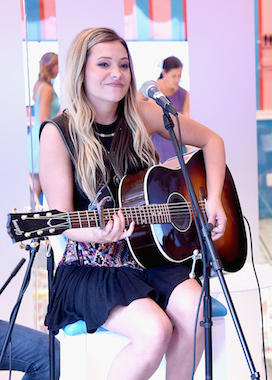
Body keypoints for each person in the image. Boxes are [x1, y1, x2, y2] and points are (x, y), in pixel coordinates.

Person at [39, 27, 227, 380]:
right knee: (155, 330)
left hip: (149, 255)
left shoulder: (143, 115)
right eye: (104, 64)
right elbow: (63, 220)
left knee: (197, 312)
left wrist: (214, 199)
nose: (117, 73)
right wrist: (98, 235)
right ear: (81, 71)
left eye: (123, 65)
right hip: (93, 265)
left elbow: (212, 141)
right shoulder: (58, 132)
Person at [137, 56, 190, 163]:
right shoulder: (148, 91)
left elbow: (187, 123)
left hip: (177, 146)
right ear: (164, 73)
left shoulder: (184, 94)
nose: (177, 79)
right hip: (155, 146)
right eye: (174, 76)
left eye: (179, 75)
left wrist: (189, 151)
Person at [29, 52, 60, 207]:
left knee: (35, 186)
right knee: (37, 189)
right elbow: (43, 119)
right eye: (57, 64)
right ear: (51, 66)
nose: (59, 68)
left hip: (36, 136)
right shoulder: (47, 88)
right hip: (41, 137)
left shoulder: (39, 85)